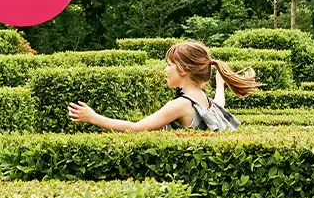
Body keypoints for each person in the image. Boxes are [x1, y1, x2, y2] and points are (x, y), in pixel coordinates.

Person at [67, 41, 259, 132]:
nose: (165, 70)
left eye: (169, 65)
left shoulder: (181, 105)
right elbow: (219, 105)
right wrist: (220, 85)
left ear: (183, 70)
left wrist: (93, 117)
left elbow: (136, 128)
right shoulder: (202, 99)